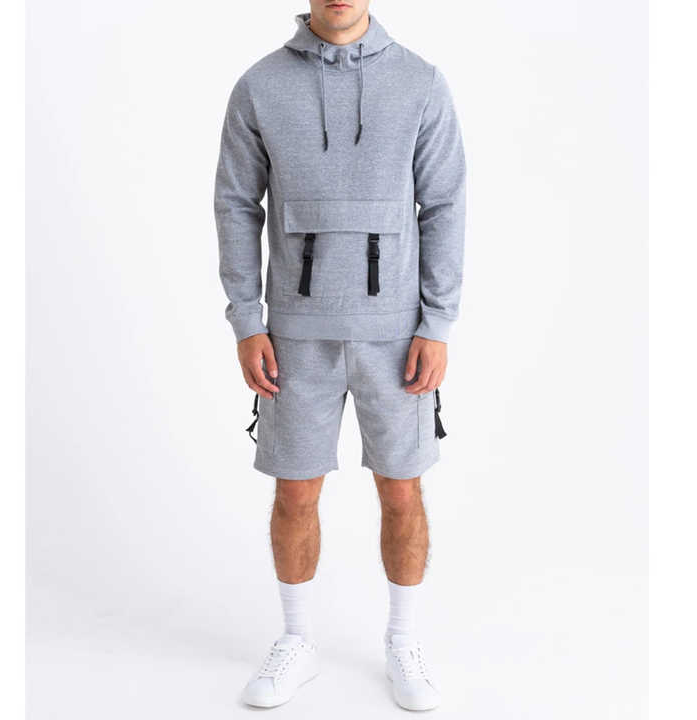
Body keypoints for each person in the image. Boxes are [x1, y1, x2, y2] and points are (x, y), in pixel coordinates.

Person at [214, 0, 465, 710]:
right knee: (295, 492)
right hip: (294, 336)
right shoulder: (260, 85)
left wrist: (438, 322)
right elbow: (236, 205)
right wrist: (246, 321)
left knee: (402, 490)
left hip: (398, 336)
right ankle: (298, 639)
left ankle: (403, 641)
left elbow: (445, 204)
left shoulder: (420, 82)